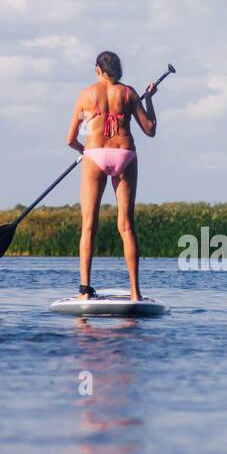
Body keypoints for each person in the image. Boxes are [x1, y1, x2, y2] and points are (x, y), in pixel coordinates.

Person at [65, 51, 156, 302]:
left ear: (97, 70)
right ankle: (136, 293)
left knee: (89, 224)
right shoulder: (129, 93)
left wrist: (84, 151)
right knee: (126, 225)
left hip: (95, 155)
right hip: (125, 154)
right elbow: (150, 129)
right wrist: (148, 100)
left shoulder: (86, 94)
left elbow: (70, 139)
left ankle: (84, 291)